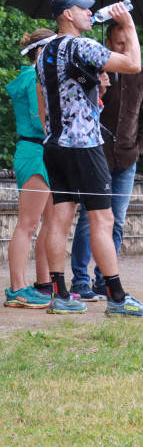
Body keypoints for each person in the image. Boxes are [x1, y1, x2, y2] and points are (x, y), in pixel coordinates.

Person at [35, 0, 143, 316]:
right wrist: (128, 23)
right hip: (85, 147)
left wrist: (96, 87)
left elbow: (51, 102)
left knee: (59, 220)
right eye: (84, 9)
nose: (91, 14)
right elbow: (133, 64)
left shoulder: (44, 50)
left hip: (54, 145)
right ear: (67, 15)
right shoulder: (81, 46)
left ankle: (60, 295)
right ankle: (117, 298)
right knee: (104, 221)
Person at [69, 22, 143, 301]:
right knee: (88, 220)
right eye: (119, 44)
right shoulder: (92, 70)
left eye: (127, 43)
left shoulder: (142, 75)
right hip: (96, 156)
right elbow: (79, 109)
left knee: (116, 221)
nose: (124, 48)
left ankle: (103, 280)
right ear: (108, 42)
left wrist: (139, 147)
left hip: (126, 158)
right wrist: (99, 88)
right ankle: (80, 280)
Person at [4, 29, 59, 308]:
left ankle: (44, 284)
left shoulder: (43, 77)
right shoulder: (32, 78)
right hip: (34, 152)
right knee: (28, 224)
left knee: (50, 224)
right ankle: (17, 288)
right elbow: (40, 122)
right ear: (41, 52)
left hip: (45, 152)